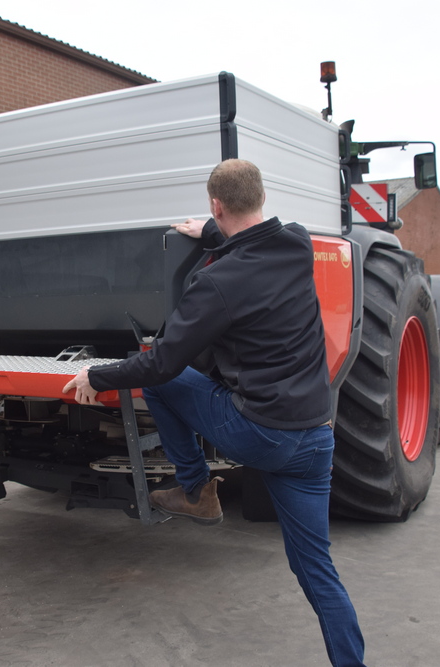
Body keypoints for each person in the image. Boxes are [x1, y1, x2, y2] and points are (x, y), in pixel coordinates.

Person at [62, 159, 366, 666]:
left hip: (259, 434)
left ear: (215, 203)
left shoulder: (217, 282)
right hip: (315, 437)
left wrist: (98, 375)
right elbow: (254, 235)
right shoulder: (296, 243)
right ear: (262, 198)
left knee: (163, 379)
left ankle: (197, 488)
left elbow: (161, 363)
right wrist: (211, 232)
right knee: (317, 569)